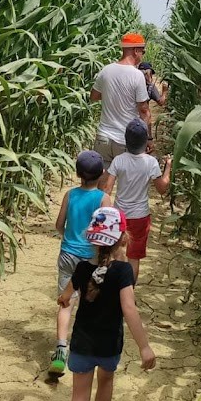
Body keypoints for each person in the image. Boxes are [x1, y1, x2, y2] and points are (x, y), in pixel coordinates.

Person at [59, 206, 156, 401]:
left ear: (93, 238)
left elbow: (66, 297)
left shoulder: (81, 269)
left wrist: (65, 299)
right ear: (123, 238)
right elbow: (129, 309)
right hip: (108, 345)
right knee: (106, 382)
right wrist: (144, 346)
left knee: (78, 399)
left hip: (81, 343)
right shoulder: (124, 271)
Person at [49, 150, 112, 377]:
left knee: (66, 303)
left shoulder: (70, 194)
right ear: (102, 174)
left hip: (67, 254)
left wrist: (67, 236)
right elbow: (107, 232)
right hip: (91, 257)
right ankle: (86, 347)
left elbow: (59, 224)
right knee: (90, 301)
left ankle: (60, 350)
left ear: (77, 174)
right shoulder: (103, 199)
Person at [104, 119, 172, 282]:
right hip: (140, 217)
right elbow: (162, 188)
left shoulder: (119, 160)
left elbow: (107, 189)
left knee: (118, 252)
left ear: (126, 140)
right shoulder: (151, 163)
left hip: (120, 215)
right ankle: (129, 292)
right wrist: (168, 167)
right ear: (145, 142)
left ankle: (116, 290)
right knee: (134, 258)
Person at [91, 32, 153, 169]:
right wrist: (147, 139)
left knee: (103, 186)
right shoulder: (137, 75)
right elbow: (144, 111)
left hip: (103, 138)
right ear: (136, 50)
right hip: (126, 140)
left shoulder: (106, 71)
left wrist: (111, 94)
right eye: (142, 51)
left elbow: (94, 96)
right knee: (127, 186)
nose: (142, 55)